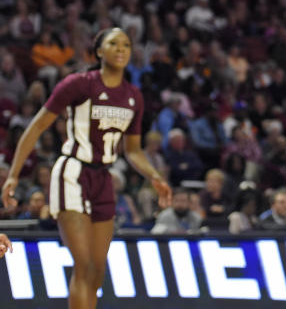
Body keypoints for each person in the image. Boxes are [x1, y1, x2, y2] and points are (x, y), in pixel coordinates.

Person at [1, 28, 173, 309]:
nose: (121, 48)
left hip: (103, 178)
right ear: (99, 52)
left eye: (126, 44)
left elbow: (132, 151)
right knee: (83, 265)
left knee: (97, 271)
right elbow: (36, 128)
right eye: (113, 43)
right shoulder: (79, 84)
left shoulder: (134, 97)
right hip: (72, 172)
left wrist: (155, 176)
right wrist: (13, 175)